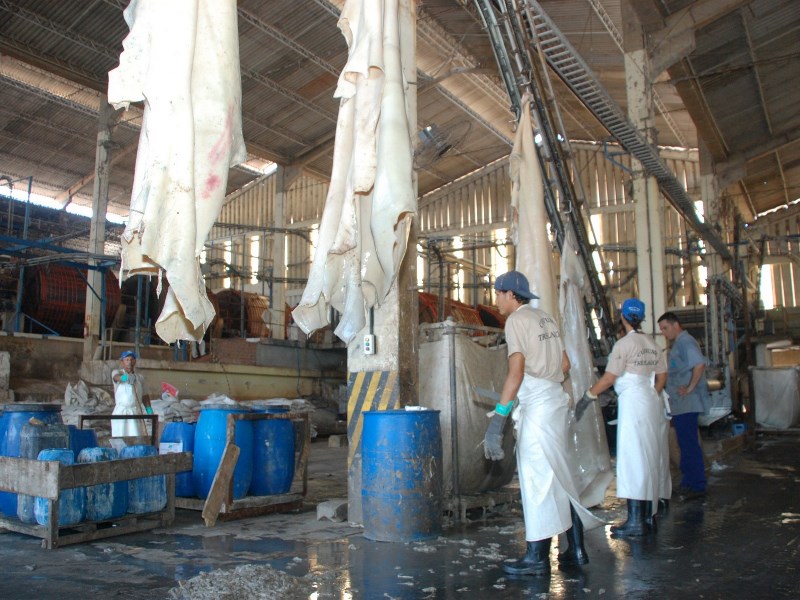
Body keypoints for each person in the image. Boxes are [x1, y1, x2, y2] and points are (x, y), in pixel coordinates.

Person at [484, 270, 603, 577]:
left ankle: (537, 557)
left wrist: (498, 421)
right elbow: (565, 364)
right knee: (560, 476)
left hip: (537, 408)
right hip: (555, 404)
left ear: (511, 295)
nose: (495, 299)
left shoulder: (515, 322)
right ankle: (576, 549)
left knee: (537, 483)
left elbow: (516, 372)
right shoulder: (545, 318)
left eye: (498, 293)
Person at [577, 298, 667, 536]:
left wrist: (587, 396)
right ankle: (648, 517)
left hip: (633, 403)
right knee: (648, 457)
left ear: (623, 317)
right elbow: (662, 375)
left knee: (633, 459)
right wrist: (651, 394)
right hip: (649, 400)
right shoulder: (652, 343)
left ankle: (635, 521)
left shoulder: (624, 345)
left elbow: (609, 378)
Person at [657, 312, 709, 500]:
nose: (663, 333)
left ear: (675, 325)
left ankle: (697, 484)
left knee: (689, 444)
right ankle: (689, 481)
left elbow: (699, 364)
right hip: (680, 405)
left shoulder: (686, 342)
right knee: (684, 443)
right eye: (661, 329)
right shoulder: (678, 344)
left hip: (687, 403)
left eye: (665, 328)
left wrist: (689, 387)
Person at [111, 350, 152, 437]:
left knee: (135, 437)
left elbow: (145, 396)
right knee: (120, 438)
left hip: (135, 412)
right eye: (127, 360)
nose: (129, 362)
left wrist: (149, 410)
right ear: (122, 362)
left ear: (135, 361)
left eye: (132, 360)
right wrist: (125, 377)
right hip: (121, 413)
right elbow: (116, 378)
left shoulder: (140, 378)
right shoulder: (117, 373)